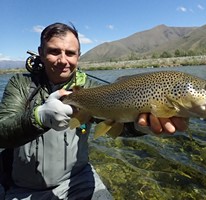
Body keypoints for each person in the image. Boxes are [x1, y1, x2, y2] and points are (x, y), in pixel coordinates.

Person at [0, 22, 188, 199]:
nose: (63, 60)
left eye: (70, 53)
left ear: (79, 56)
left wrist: (142, 127)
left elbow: (119, 125)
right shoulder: (21, 84)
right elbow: (2, 133)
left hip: (78, 179)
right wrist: (38, 117)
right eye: (54, 52)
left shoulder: (91, 89)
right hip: (24, 188)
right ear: (41, 53)